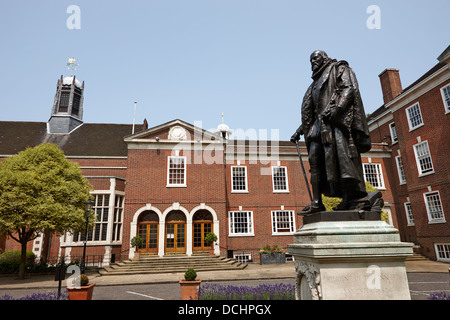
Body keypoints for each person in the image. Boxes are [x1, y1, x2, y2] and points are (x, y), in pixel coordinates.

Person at [291, 50, 371, 214]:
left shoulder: (338, 68)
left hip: (335, 125)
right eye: (311, 59)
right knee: (315, 164)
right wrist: (300, 130)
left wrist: (338, 109)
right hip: (317, 129)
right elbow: (313, 112)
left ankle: (351, 198)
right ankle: (317, 202)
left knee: (341, 164)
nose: (313, 61)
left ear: (324, 58)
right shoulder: (313, 84)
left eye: (316, 58)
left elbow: (349, 88)